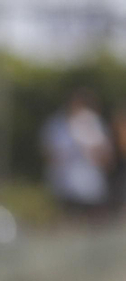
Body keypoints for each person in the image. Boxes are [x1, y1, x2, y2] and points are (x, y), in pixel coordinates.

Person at [41, 89, 113, 222]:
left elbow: (105, 152)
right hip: (64, 185)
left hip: (90, 185)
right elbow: (48, 152)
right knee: (68, 223)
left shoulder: (93, 122)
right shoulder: (55, 123)